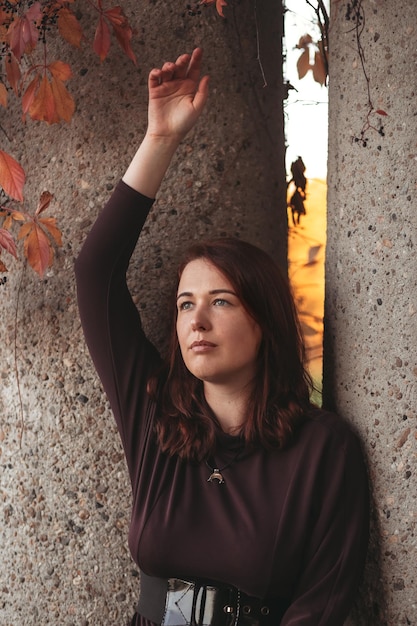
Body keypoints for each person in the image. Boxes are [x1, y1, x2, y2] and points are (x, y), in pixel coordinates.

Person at [75, 48, 369, 626]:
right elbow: (95, 275)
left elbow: (323, 605)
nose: (196, 322)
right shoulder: (155, 419)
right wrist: (159, 138)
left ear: (263, 322)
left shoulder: (322, 451)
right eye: (186, 305)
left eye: (221, 302)